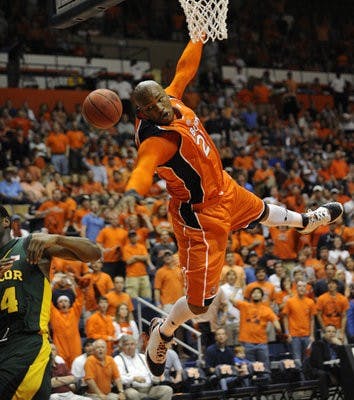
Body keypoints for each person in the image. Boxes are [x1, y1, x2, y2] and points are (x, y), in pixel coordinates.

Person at [118, 38, 343, 376]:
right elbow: (143, 168)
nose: (163, 105)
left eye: (163, 98)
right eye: (154, 106)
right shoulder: (156, 140)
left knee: (263, 212)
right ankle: (162, 332)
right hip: (200, 215)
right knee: (200, 305)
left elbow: (184, 70)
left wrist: (198, 37)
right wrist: (133, 192)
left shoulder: (170, 98)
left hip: (222, 187)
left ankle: (306, 221)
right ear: (143, 112)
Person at [0, 205, 101, 400]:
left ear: (6, 222)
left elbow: (93, 253)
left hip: (26, 345)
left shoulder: (28, 245)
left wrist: (56, 238)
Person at [114, 334, 173, 400]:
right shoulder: (118, 359)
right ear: (121, 347)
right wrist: (133, 378)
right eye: (126, 345)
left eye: (132, 344)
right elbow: (119, 378)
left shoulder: (142, 356)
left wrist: (155, 377)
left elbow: (151, 372)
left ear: (135, 345)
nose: (130, 347)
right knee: (132, 394)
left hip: (149, 388)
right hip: (132, 389)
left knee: (167, 390)